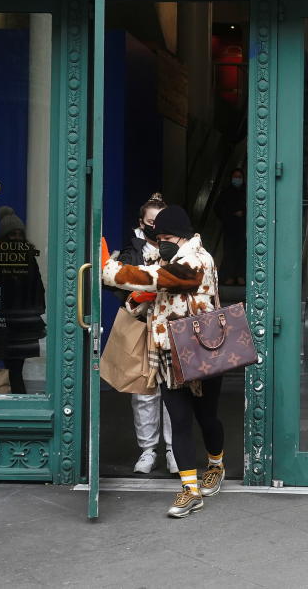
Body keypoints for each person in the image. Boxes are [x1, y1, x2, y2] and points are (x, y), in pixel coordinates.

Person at [102, 205, 225, 518]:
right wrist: (134, 301)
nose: (162, 242)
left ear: (182, 235)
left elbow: (160, 280)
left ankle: (216, 464)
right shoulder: (166, 261)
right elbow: (151, 293)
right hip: (169, 354)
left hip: (201, 351)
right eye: (159, 238)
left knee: (207, 418)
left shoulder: (197, 260)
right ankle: (190, 489)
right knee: (180, 421)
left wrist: (112, 270)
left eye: (167, 236)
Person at [112, 193, 177, 476]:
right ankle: (148, 450)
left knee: (174, 390)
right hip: (140, 328)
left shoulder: (178, 249)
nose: (155, 227)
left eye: (159, 222)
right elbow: (116, 283)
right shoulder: (131, 252)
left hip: (171, 328)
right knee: (143, 392)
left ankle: (175, 450)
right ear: (142, 222)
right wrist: (136, 298)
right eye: (150, 222)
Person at [0, 206, 46, 394]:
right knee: (12, 366)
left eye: (20, 233)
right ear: (5, 235)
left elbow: (37, 286)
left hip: (19, 320)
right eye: (13, 234)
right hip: (8, 319)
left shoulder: (25, 254)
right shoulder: (19, 253)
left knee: (14, 366)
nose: (17, 237)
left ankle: (15, 399)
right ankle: (17, 399)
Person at [213, 167, 246, 285]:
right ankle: (229, 277)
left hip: (243, 228)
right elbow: (217, 208)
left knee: (242, 252)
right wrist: (229, 216)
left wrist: (244, 213)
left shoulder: (247, 191)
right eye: (235, 177)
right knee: (229, 252)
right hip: (230, 228)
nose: (237, 179)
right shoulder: (226, 192)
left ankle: (241, 276)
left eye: (239, 177)